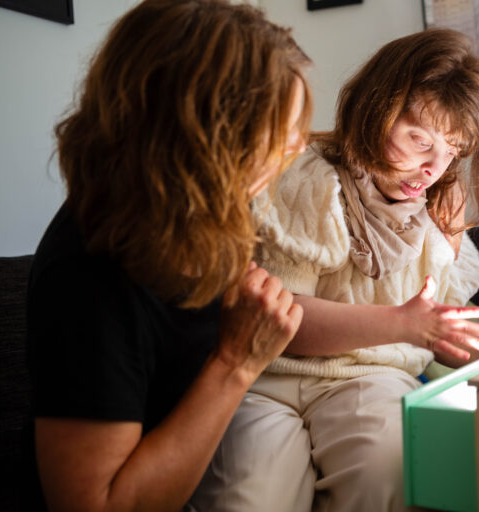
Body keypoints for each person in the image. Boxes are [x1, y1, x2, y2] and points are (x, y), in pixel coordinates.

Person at [188, 28, 479, 512]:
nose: (433, 168)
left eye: (453, 151)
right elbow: (280, 321)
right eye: (419, 140)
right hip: (269, 379)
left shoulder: (444, 204)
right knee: (249, 494)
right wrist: (402, 324)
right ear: (377, 107)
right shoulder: (306, 176)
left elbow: (437, 328)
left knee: (387, 468)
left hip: (373, 379)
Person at [24, 1, 313, 511]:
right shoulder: (88, 277)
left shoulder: (209, 216)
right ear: (206, 137)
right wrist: (235, 363)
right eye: (279, 131)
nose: (297, 147)